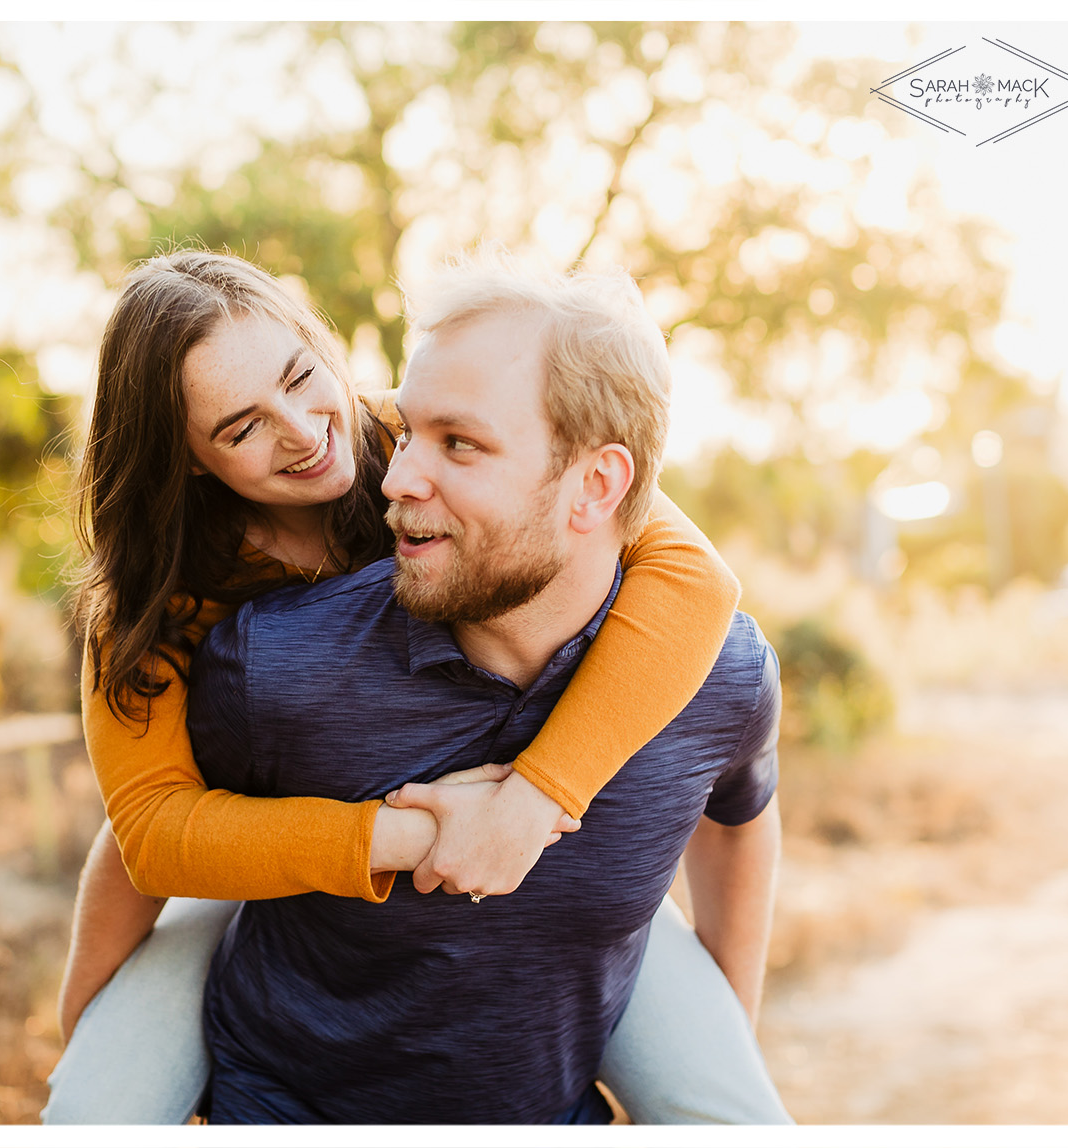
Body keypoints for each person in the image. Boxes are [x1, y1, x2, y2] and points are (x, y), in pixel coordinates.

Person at [44, 249, 787, 1123]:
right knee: (92, 1102)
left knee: (736, 1109)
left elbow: (692, 578)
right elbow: (155, 835)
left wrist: (535, 800)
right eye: (241, 428)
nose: (301, 430)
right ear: (192, 460)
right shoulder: (162, 598)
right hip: (261, 854)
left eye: (300, 377)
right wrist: (407, 837)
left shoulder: (419, 436)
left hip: (537, 864)